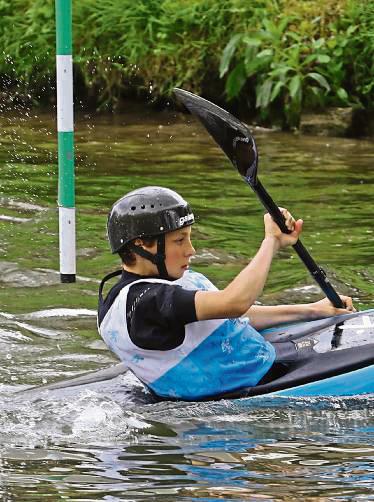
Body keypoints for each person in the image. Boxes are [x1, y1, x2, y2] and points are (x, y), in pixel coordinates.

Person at [98, 186, 354, 400]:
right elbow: (235, 303)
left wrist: (312, 310)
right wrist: (271, 242)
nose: (191, 250)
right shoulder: (146, 303)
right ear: (141, 245)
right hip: (239, 394)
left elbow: (228, 317)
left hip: (258, 365)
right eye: (180, 240)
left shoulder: (161, 284)